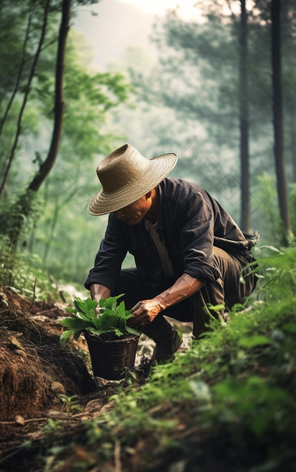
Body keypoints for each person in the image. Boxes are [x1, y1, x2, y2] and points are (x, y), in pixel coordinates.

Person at [85, 143, 259, 363]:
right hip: (177, 286)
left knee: (209, 259)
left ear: (147, 190)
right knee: (116, 285)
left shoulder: (189, 200)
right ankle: (167, 341)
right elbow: (105, 268)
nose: (118, 213)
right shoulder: (121, 219)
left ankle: (206, 353)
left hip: (234, 281)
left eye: (123, 204)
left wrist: (158, 302)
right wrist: (99, 307)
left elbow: (200, 266)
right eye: (114, 206)